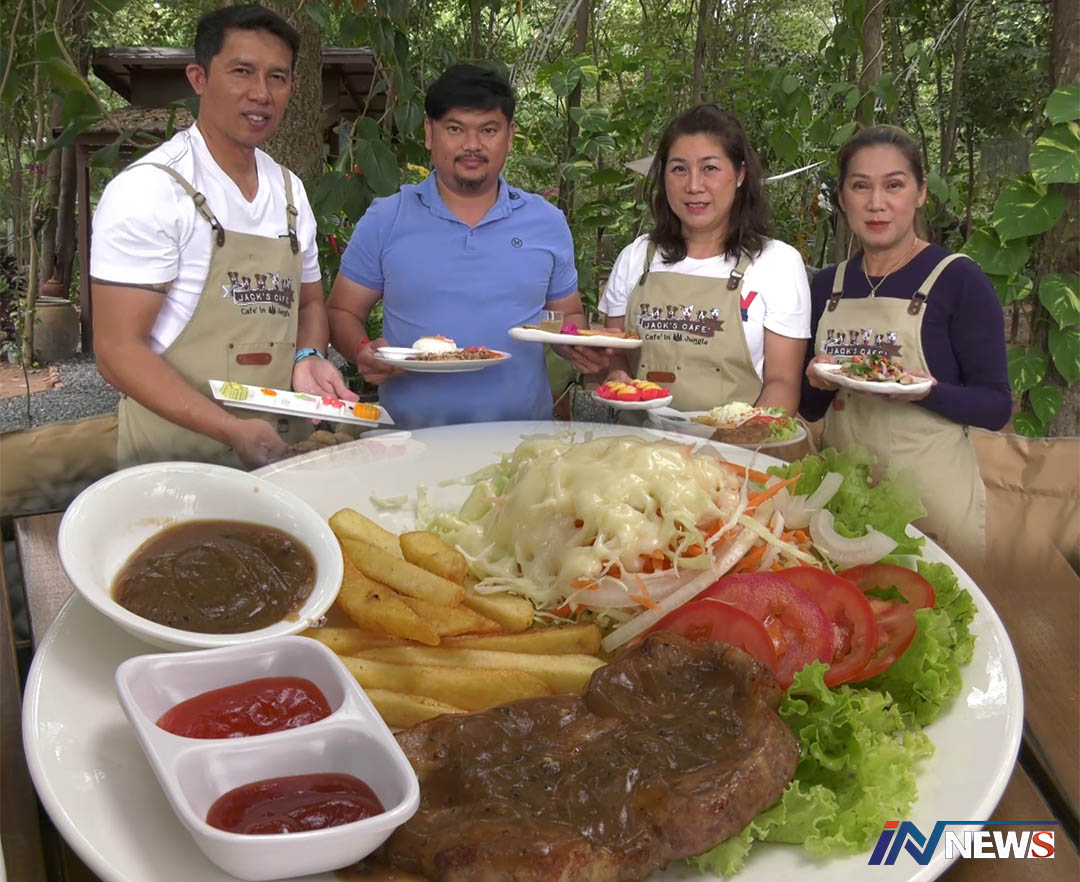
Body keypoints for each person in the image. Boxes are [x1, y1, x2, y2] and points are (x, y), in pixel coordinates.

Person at [91, 4, 355, 469]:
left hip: (283, 456)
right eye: (241, 71)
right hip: (173, 464)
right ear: (199, 78)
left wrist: (310, 355)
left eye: (277, 77)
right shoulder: (150, 189)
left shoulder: (290, 192)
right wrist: (228, 428)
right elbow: (116, 351)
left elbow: (310, 304)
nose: (261, 93)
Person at [327, 64, 605, 430]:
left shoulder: (546, 222)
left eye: (488, 130)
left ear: (510, 136)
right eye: (455, 129)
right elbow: (342, 311)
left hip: (522, 442)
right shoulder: (387, 218)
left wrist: (576, 346)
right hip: (407, 443)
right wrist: (361, 349)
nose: (472, 145)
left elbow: (567, 317)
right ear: (429, 133)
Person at [801, 125, 1011, 573]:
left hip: (931, 509)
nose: (876, 203)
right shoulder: (828, 286)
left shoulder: (958, 279)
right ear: (842, 198)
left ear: (920, 193)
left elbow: (996, 407)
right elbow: (811, 409)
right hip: (844, 502)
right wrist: (817, 380)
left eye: (894, 185)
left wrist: (926, 391)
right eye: (861, 186)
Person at [595, 104, 811, 415]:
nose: (694, 186)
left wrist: (741, 438)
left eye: (710, 168)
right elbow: (616, 355)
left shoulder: (777, 263)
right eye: (679, 169)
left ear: (740, 174)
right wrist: (615, 374)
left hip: (737, 442)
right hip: (639, 441)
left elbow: (783, 383)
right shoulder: (637, 257)